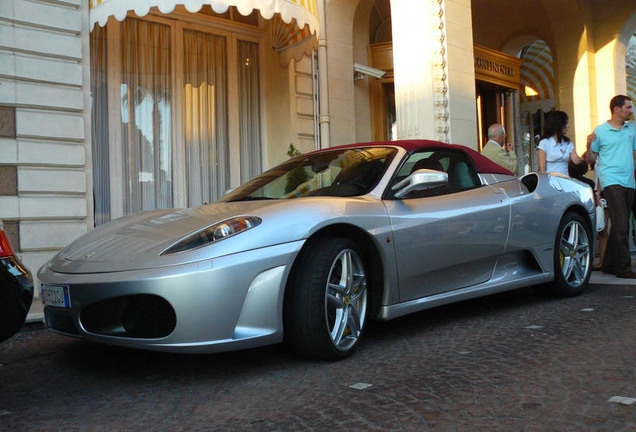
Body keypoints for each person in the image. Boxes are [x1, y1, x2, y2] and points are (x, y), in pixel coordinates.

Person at [587, 95, 636, 278]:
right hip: (611, 181)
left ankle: (607, 264)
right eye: (628, 107)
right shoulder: (600, 131)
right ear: (617, 109)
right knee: (621, 223)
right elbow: (591, 160)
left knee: (618, 226)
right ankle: (623, 268)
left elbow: (634, 157)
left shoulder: (631, 131)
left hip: (629, 182)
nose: (631, 111)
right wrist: (588, 144)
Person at [537, 110, 586, 175]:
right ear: (558, 125)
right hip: (551, 181)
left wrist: (587, 150)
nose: (567, 126)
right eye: (565, 123)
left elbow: (576, 160)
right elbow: (541, 170)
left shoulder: (567, 142)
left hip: (564, 180)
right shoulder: (544, 143)